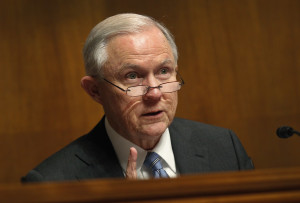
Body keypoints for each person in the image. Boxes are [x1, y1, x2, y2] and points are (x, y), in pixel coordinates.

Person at [22, 13, 253, 182]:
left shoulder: (224, 148)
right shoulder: (53, 182)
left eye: (164, 72)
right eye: (132, 76)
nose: (154, 92)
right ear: (95, 90)